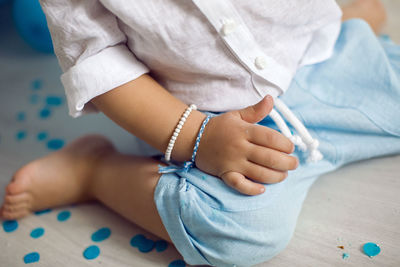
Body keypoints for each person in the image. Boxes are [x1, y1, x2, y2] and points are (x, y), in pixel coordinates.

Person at [1, 0, 399, 266]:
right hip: (202, 120)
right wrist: (197, 137)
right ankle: (96, 170)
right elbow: (99, 60)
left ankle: (352, 25)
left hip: (324, 58)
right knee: (237, 228)